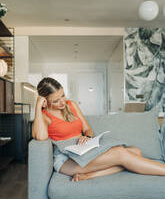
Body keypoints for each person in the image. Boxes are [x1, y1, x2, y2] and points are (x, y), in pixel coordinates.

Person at [32, 77, 165, 182]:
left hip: (84, 151)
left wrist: (87, 137)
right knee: (121, 154)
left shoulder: (70, 105)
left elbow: (87, 129)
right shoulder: (44, 116)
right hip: (67, 160)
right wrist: (38, 107)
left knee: (136, 151)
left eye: (63, 95)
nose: (62, 102)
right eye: (56, 101)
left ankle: (89, 175)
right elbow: (41, 137)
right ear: (45, 101)